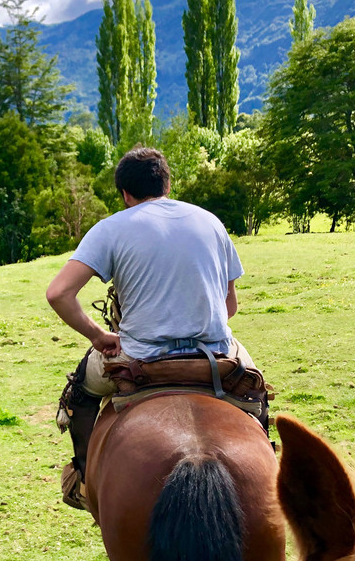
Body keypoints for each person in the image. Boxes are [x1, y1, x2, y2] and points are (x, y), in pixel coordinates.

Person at [45, 146, 261, 510]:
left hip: (140, 356)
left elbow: (59, 293)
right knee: (256, 390)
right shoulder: (210, 221)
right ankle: (270, 457)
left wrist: (99, 337)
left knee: (80, 390)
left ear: (125, 194)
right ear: (168, 184)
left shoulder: (111, 227)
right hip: (215, 353)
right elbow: (230, 306)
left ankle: (82, 479)